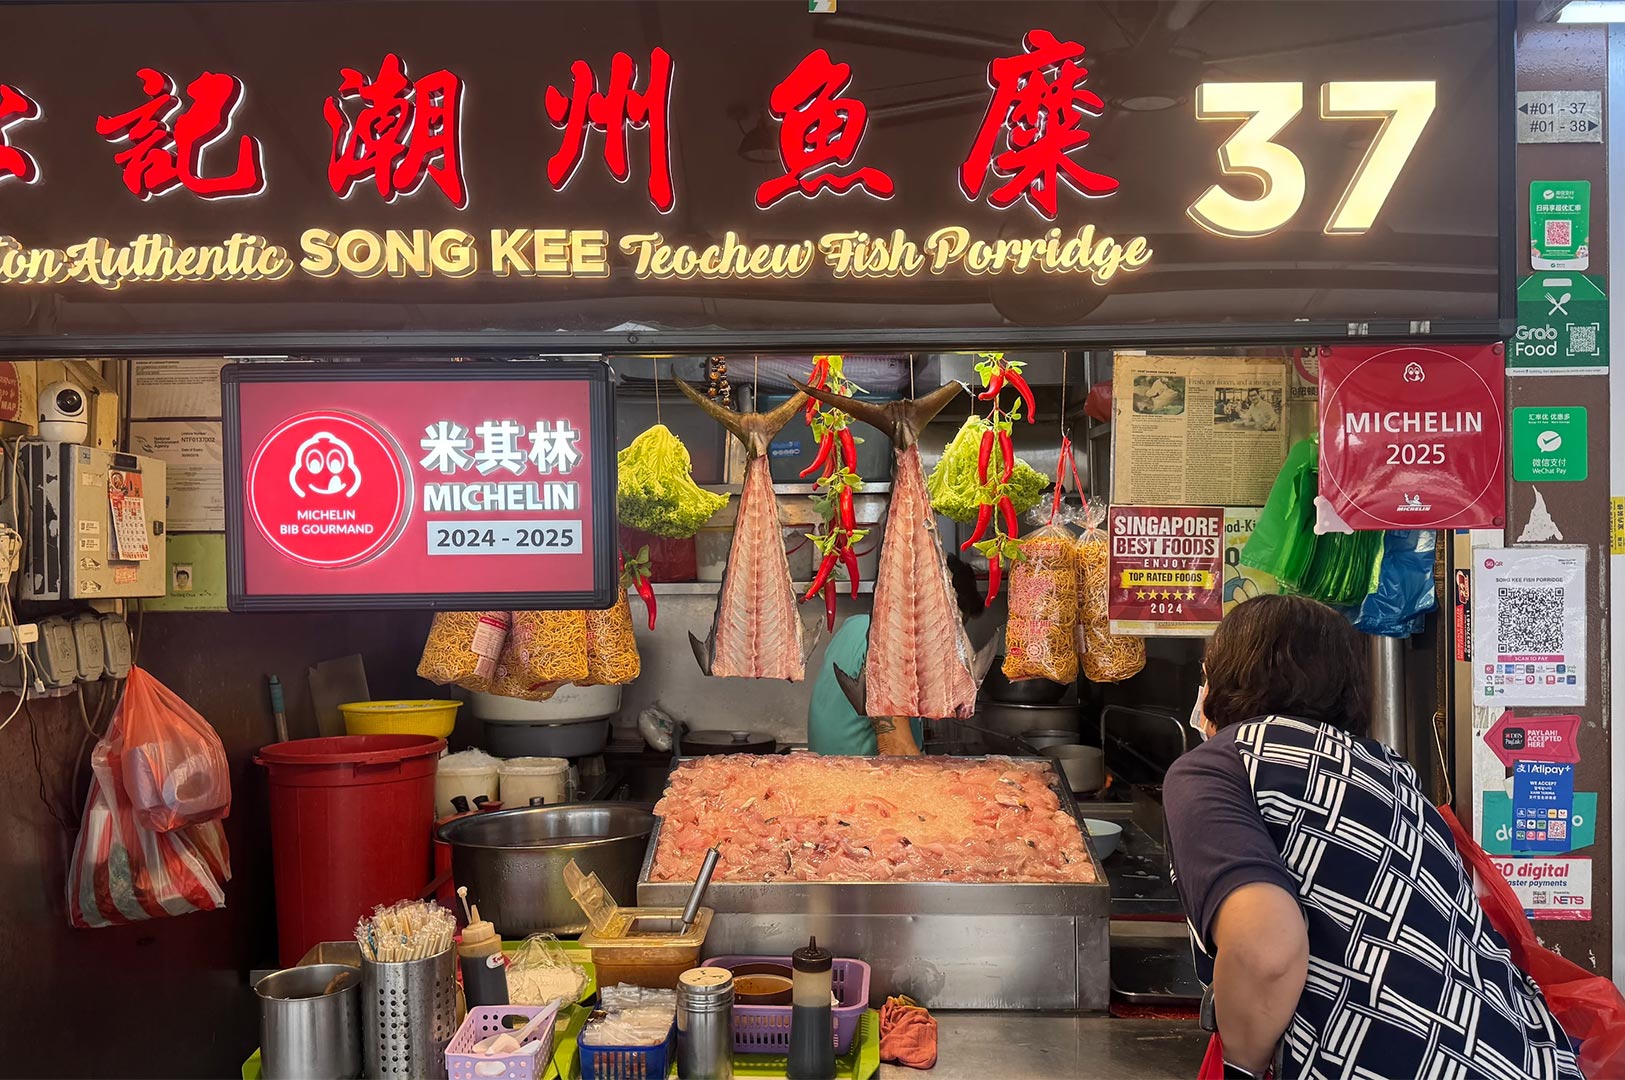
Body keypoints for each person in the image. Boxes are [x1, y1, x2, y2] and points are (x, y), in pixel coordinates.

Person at [1165, 595, 1579, 1080]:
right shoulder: (1389, 769)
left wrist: (1242, 1067)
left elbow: (1266, 949)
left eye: (1205, 674)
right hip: (1527, 1056)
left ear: (1225, 678)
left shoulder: (1217, 768)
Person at [807, 555, 985, 756]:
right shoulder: (888, 644)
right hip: (863, 779)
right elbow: (896, 750)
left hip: (829, 773)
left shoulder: (854, 626)